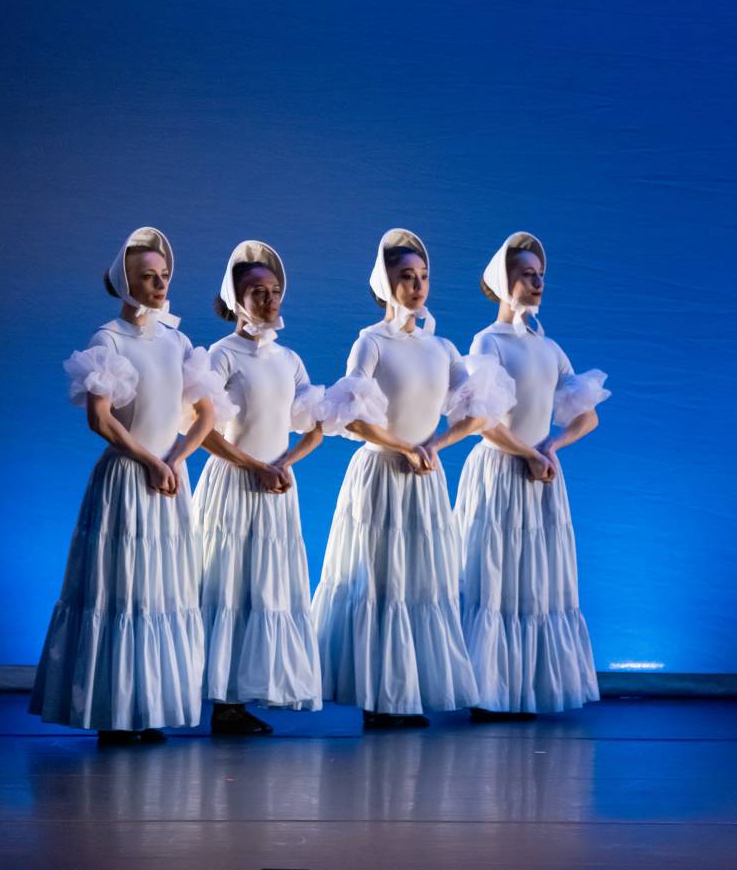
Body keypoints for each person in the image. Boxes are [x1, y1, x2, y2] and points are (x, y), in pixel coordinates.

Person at [29, 227, 226, 743]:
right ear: (126, 283)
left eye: (163, 276)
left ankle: (150, 705)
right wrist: (148, 460)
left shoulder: (179, 341)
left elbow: (206, 414)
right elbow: (100, 419)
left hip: (167, 478)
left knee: (161, 591)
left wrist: (177, 459)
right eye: (148, 277)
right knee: (122, 591)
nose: (159, 284)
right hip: (127, 481)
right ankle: (115, 711)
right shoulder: (108, 341)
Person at [313, 229, 513, 728]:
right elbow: (351, 418)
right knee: (382, 581)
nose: (418, 285)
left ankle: (406, 692)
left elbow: (480, 413)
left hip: (423, 477)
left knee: (420, 581)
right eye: (406, 277)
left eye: (423, 277)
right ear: (387, 283)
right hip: (382, 472)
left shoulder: (442, 348)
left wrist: (434, 446)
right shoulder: (370, 343)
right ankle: (380, 700)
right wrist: (405, 446)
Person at [456, 232, 610, 720]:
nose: (537, 281)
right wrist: (528, 452)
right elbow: (483, 420)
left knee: (534, 579)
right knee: (495, 575)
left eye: (541, 275)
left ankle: (526, 686)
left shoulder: (549, 348)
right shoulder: (488, 342)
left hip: (539, 474)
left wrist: (552, 447)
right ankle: (488, 689)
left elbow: (588, 415)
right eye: (527, 274)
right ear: (505, 282)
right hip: (502, 471)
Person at [194, 241, 327, 734]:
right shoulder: (219, 356)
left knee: (263, 586)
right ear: (235, 298)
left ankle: (244, 695)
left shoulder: (290, 360)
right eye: (257, 292)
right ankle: (222, 700)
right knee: (228, 583)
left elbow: (316, 425)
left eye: (274, 292)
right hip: (234, 484)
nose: (269, 301)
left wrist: (284, 463)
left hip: (273, 488)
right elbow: (202, 431)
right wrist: (253, 465)